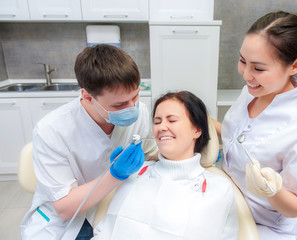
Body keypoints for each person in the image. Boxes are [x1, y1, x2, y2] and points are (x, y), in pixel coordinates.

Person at [212, 11, 297, 239]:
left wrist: (272, 190)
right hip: (228, 201)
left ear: (295, 65)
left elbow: (294, 207)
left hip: (264, 226)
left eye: (258, 68)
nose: (246, 75)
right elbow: (241, 137)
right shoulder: (250, 92)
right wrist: (205, 123)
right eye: (242, 61)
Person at [20, 44, 158, 240]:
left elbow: (151, 153)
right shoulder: (51, 131)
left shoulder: (139, 110)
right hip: (67, 222)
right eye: (119, 104)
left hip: (116, 205)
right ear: (87, 95)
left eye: (135, 96)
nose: (132, 108)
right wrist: (115, 174)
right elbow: (65, 208)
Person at [92, 91, 239, 240]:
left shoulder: (218, 188)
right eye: (157, 122)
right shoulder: (134, 173)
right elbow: (105, 231)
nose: (162, 127)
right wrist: (114, 175)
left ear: (197, 130)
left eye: (172, 120)